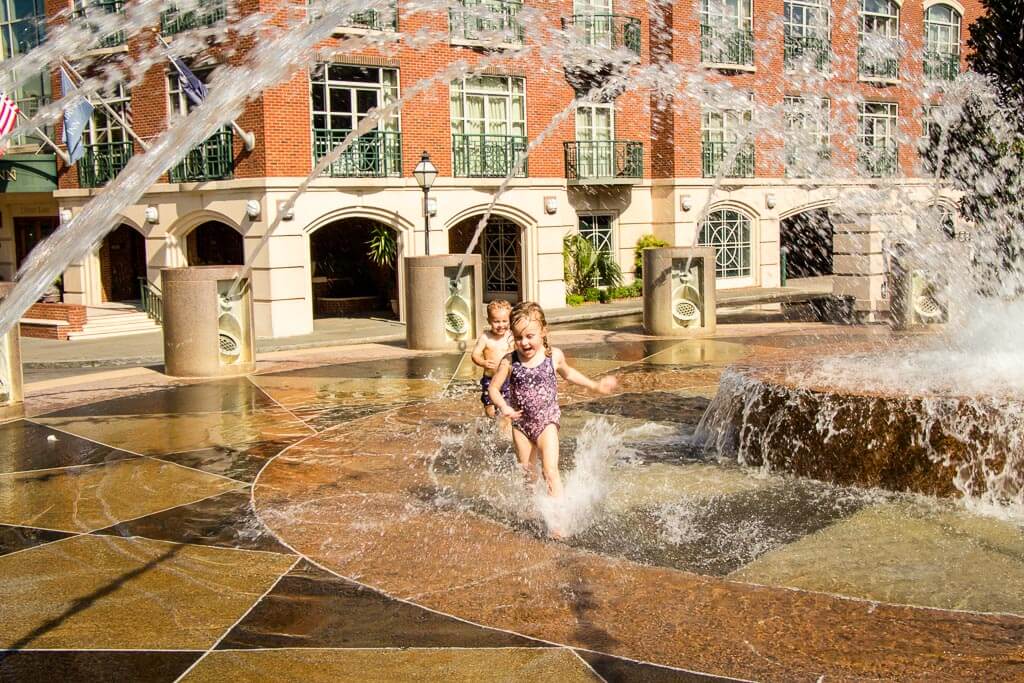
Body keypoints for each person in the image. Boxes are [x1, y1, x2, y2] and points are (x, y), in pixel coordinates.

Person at [488, 301, 617, 535]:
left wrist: (595, 386)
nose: (524, 342)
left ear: (543, 332)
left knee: (550, 471)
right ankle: (532, 510)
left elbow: (569, 374)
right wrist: (504, 407)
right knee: (528, 473)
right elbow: (493, 389)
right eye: (518, 337)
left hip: (547, 422)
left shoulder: (553, 356)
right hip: (521, 425)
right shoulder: (509, 361)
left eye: (530, 336)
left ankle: (559, 521)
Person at [471, 299, 514, 418]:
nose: (501, 325)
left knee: (507, 407)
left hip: (507, 380)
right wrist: (482, 362)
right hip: (489, 380)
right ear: (489, 321)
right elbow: (475, 354)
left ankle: (505, 432)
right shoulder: (485, 337)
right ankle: (491, 425)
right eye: (496, 321)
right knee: (490, 408)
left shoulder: (511, 336)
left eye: (505, 321)